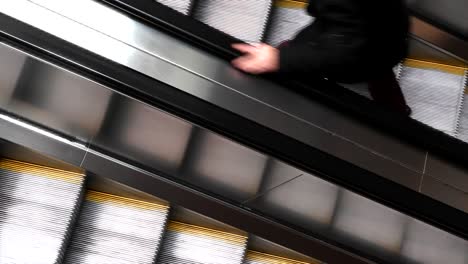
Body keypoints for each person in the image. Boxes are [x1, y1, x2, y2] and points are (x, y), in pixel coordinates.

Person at [231, 0, 411, 115]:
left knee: (375, 71)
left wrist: (279, 60)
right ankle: (398, 115)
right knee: (380, 73)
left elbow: (344, 53)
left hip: (364, 50)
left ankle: (397, 118)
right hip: (386, 36)